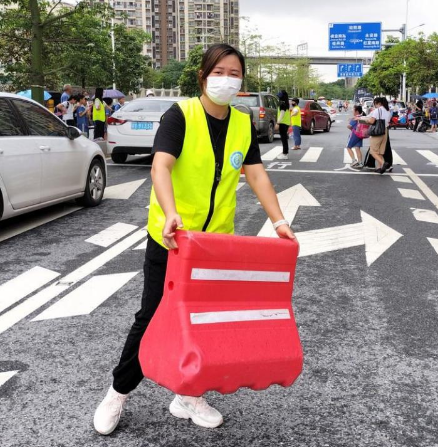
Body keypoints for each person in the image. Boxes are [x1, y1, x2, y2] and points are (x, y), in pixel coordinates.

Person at [93, 44, 296, 436]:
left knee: (204, 323)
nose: (226, 78)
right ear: (204, 76)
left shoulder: (241, 122)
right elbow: (161, 166)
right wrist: (170, 214)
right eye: (218, 71)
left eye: (234, 72)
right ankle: (117, 393)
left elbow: (255, 175)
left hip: (215, 245)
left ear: (241, 81)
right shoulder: (180, 115)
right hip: (171, 239)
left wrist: (279, 220)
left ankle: (188, 393)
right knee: (151, 317)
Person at [358, 97, 390, 174]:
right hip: (385, 131)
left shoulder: (377, 110)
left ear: (378, 103)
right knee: (380, 151)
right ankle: (379, 168)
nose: (374, 105)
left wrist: (364, 120)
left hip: (377, 131)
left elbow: (371, 121)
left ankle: (383, 163)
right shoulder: (387, 110)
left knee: (373, 151)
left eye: (374, 103)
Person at [275, 89, 290, 160]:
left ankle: (285, 153)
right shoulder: (286, 104)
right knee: (284, 138)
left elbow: (282, 114)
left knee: (284, 139)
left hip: (283, 123)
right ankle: (284, 152)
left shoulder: (282, 104)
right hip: (285, 123)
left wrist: (278, 123)